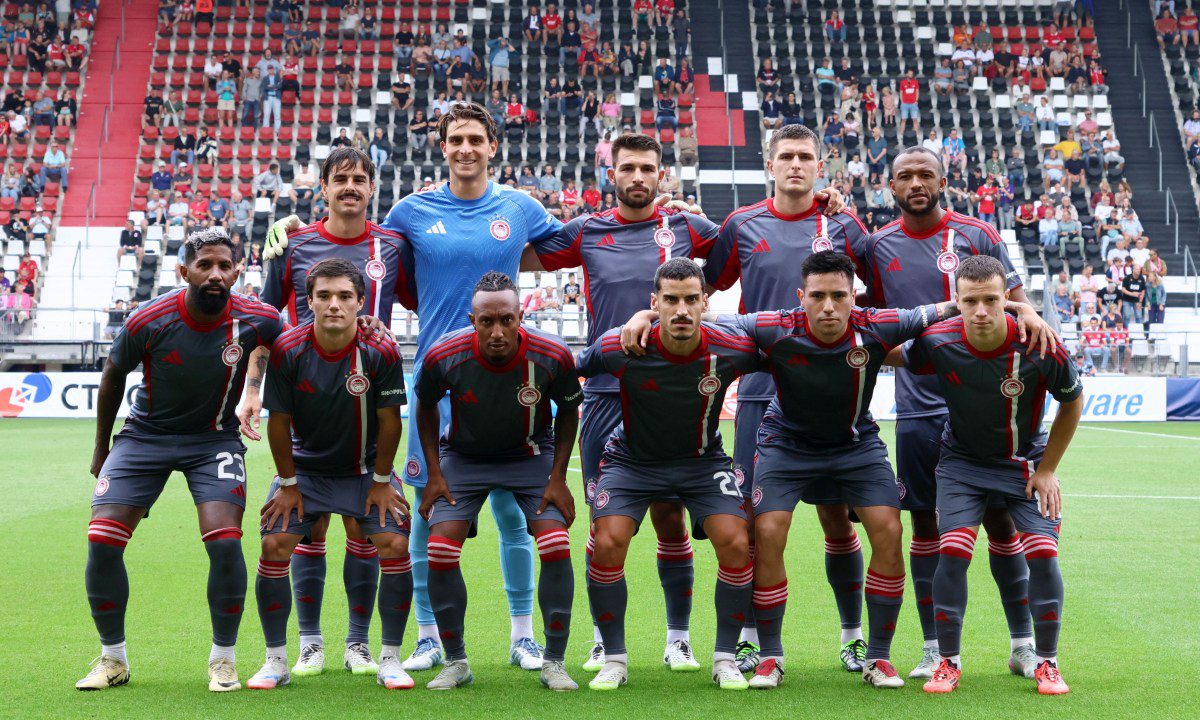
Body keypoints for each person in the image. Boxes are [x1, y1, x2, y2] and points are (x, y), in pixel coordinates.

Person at [261, 103, 595, 673]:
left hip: (509, 378)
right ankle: (426, 636)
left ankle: (523, 636)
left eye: (475, 139)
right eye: (455, 139)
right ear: (441, 147)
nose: (465, 148)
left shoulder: (520, 207)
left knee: (515, 515)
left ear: (493, 146)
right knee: (423, 509)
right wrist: (294, 230)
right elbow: (359, 246)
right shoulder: (411, 212)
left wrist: (666, 212)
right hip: (436, 384)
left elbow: (584, 239)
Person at [535, 133, 724, 672]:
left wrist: (828, 202)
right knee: (604, 525)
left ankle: (678, 639)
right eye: (628, 168)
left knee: (670, 518)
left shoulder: (687, 227)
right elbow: (517, 252)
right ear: (611, 174)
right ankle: (603, 638)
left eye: (647, 168)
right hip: (605, 394)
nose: (638, 177)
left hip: (674, 392)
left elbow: (746, 250)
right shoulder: (587, 230)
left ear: (662, 175)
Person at [859, 146, 1042, 680]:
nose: (916, 183)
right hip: (919, 409)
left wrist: (1034, 322)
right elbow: (876, 321)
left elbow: (1019, 305)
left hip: (986, 406)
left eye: (926, 175)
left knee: (1001, 522)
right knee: (924, 524)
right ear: (891, 186)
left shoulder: (977, 234)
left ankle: (1023, 645)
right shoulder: (877, 246)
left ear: (943, 181)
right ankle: (935, 648)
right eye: (905, 176)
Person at [77, 228, 284, 692]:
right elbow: (113, 373)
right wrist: (101, 448)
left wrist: (255, 386)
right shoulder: (149, 319)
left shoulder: (258, 318)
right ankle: (113, 660)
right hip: (145, 437)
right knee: (102, 541)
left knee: (225, 542)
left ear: (237, 271)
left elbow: (294, 343)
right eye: (204, 265)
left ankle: (223, 660)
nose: (215, 274)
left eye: (224, 266)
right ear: (183, 271)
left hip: (214, 440)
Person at [243, 148, 415, 679]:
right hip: (308, 404)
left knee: (367, 532)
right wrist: (252, 388)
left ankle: (359, 644)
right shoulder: (292, 243)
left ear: (372, 188)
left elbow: (424, 296)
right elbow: (267, 321)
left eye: (359, 179)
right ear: (322, 187)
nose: (350, 187)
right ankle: (309, 645)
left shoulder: (393, 245)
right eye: (340, 179)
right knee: (306, 532)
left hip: (367, 398)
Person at [701, 124, 857, 673]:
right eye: (785, 156)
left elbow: (876, 294)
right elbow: (705, 286)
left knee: (837, 519)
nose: (795, 164)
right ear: (770, 166)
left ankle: (853, 637)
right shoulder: (742, 224)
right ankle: (751, 639)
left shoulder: (842, 224)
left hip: (833, 396)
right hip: (759, 395)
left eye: (804, 157)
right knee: (753, 522)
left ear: (820, 166)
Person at [900, 254, 1082, 697]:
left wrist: (1048, 470)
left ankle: (1047, 662)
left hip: (1025, 462)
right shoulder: (938, 339)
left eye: (991, 300)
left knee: (1043, 553)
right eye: (970, 301)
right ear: (956, 301)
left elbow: (1072, 401)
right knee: (953, 549)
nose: (980, 311)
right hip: (961, 464)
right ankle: (948, 662)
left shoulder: (1040, 343)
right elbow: (891, 354)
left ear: (1008, 300)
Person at [576, 258, 760, 691]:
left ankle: (724, 658)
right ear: (654, 302)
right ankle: (613, 657)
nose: (681, 310)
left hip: (702, 462)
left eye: (691, 299)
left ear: (705, 303)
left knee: (737, 541)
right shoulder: (622, 346)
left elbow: (786, 357)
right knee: (607, 540)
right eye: (671, 300)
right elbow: (572, 369)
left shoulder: (731, 348)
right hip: (632, 462)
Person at [415, 272, 582, 691]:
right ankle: (456, 662)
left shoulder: (552, 354)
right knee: (439, 549)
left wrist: (558, 477)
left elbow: (568, 412)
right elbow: (425, 406)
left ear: (520, 316)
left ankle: (554, 662)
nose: (497, 332)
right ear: (471, 320)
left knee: (555, 543)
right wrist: (435, 473)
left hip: (530, 455)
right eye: (486, 321)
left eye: (506, 320)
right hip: (465, 458)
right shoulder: (444, 355)